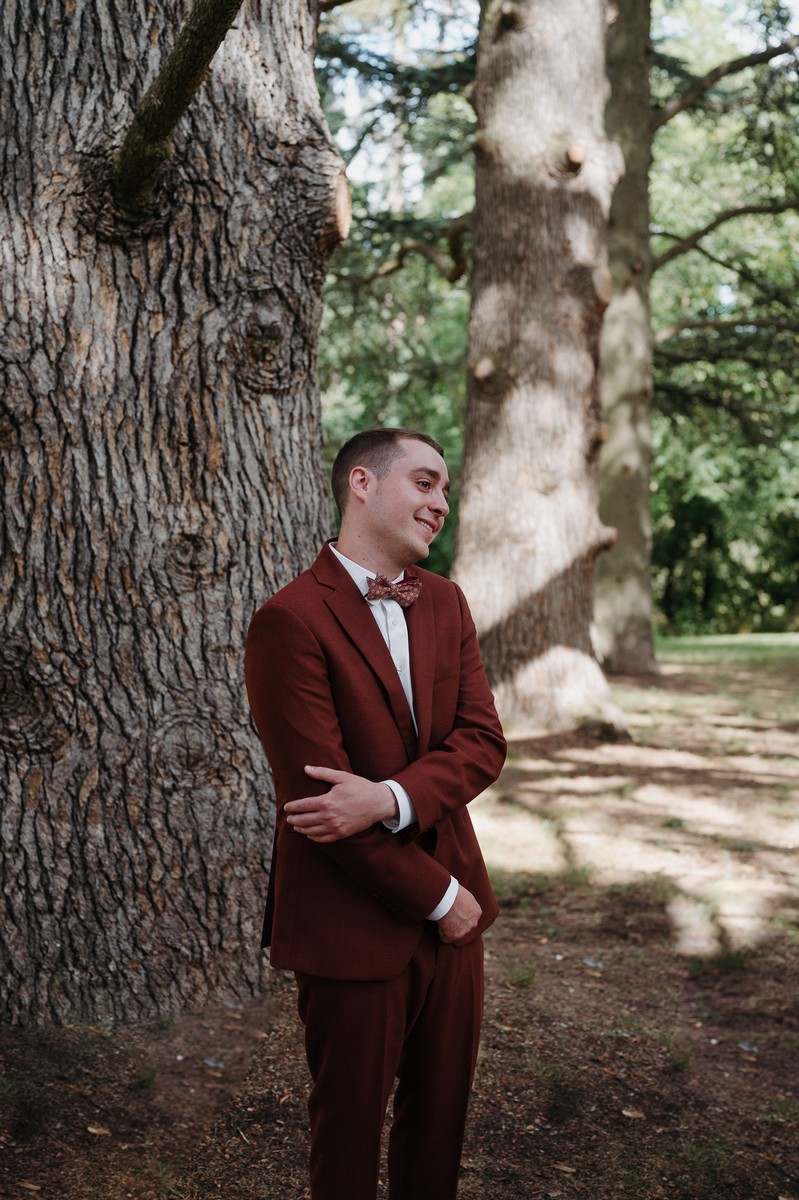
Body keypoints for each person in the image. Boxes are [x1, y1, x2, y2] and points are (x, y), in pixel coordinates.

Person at [244, 427, 506, 1200]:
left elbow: (482, 741)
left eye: (446, 491)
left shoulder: (446, 602)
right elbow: (319, 810)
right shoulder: (288, 619)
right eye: (425, 484)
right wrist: (438, 898)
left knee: (439, 1127)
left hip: (455, 913)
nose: (440, 505)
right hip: (349, 918)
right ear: (361, 482)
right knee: (348, 1138)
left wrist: (389, 798)